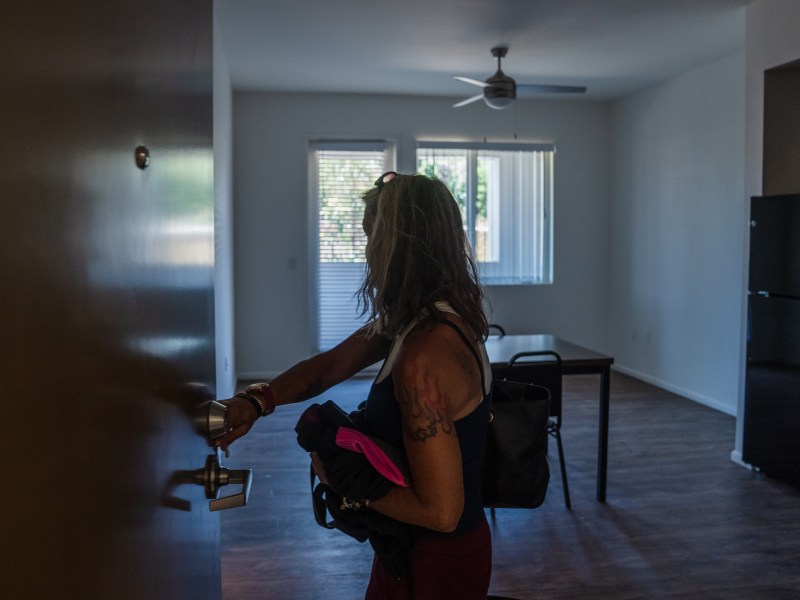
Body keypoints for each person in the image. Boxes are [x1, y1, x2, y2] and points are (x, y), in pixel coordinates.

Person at [215, 172, 493, 599]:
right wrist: (256, 401)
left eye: (373, 239)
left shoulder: (423, 360)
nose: (367, 253)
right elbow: (326, 369)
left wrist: (340, 480)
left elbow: (440, 512)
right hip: (406, 550)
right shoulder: (420, 318)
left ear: (403, 247)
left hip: (435, 565)